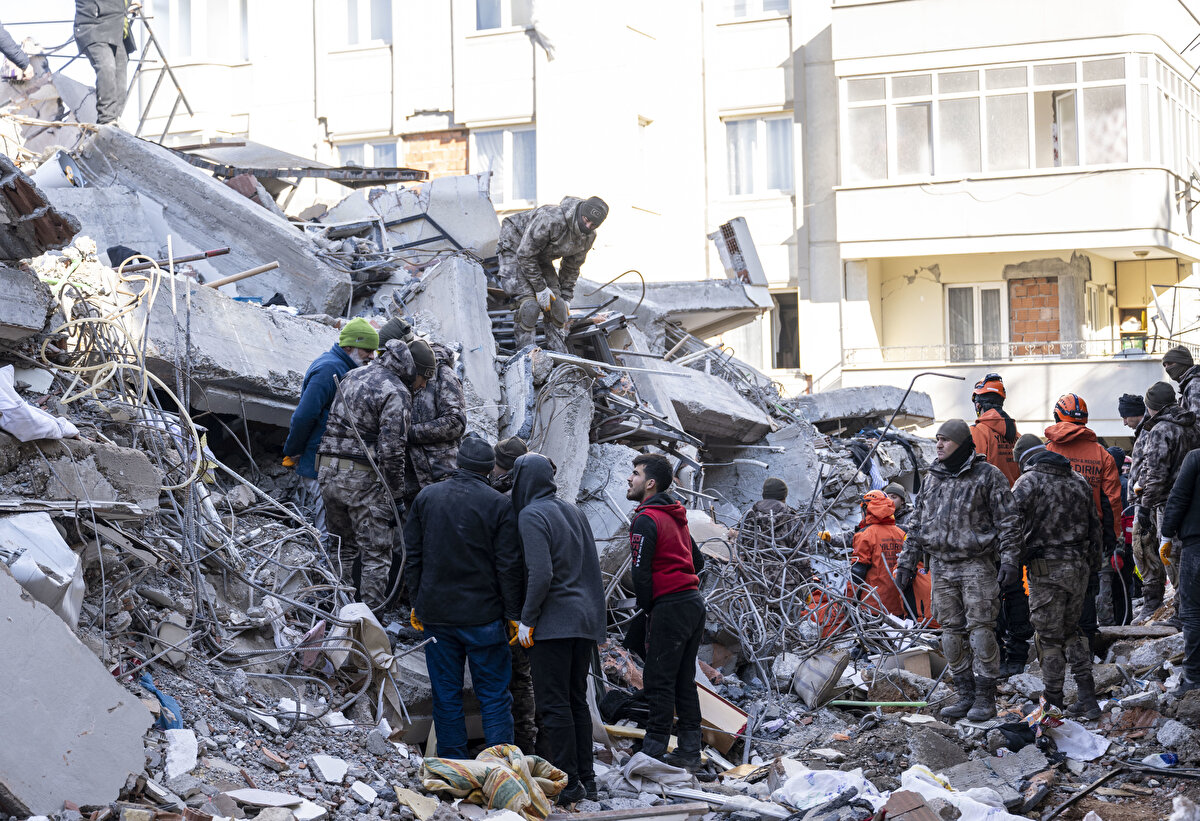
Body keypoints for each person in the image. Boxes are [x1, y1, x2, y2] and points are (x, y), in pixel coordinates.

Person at [404, 436, 524, 758]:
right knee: (495, 696)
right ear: (490, 470)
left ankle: (454, 769)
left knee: (446, 696)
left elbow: (412, 556)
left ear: (458, 463)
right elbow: (508, 566)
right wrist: (513, 614)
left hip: (437, 616)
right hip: (484, 617)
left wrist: (416, 602)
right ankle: (501, 769)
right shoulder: (500, 505)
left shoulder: (427, 497)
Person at [895, 419, 1022, 721]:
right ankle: (965, 694)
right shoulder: (932, 478)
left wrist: (1010, 561)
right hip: (940, 565)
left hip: (976, 564)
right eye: (937, 439)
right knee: (950, 632)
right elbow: (917, 524)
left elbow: (1009, 522)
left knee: (981, 630)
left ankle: (985, 697)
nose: (938, 445)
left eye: (946, 440)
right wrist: (906, 562)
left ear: (962, 443)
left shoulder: (988, 475)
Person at [511, 453, 605, 804]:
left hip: (553, 623)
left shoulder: (531, 514)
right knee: (576, 701)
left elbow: (541, 573)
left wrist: (527, 619)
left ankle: (567, 783)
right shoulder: (574, 511)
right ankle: (587, 779)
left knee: (553, 706)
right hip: (584, 621)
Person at [317, 338, 415, 610]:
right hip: (362, 480)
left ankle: (338, 609)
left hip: (327, 471)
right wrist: (395, 496)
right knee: (375, 553)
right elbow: (393, 450)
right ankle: (366, 623)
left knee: (341, 546)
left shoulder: (352, 374)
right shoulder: (395, 390)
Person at [1011, 434, 1103, 717]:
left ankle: (1052, 701)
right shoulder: (1078, 481)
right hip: (1079, 568)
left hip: (1045, 569)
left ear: (1025, 459)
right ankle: (1088, 699)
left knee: (1048, 637)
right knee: (1072, 631)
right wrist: (1094, 568)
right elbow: (1094, 526)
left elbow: (1009, 524)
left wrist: (1012, 560)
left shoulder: (1028, 482)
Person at [626, 453, 707, 770]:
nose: (629, 479)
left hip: (670, 607)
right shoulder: (675, 515)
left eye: (634, 473)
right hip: (692, 603)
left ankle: (653, 752)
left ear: (649, 483)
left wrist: (648, 610)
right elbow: (697, 563)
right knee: (683, 680)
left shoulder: (645, 519)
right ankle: (689, 751)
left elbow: (640, 574)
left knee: (658, 680)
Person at [283, 319, 378, 547]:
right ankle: (322, 574)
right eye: (368, 350)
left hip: (329, 463)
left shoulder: (345, 368)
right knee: (326, 529)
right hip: (318, 461)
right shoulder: (329, 369)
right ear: (349, 347)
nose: (372, 356)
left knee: (332, 527)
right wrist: (293, 450)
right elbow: (304, 416)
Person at [1044, 393, 1121, 651]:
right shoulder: (1101, 454)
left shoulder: (1048, 450)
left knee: (1052, 593)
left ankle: (1055, 651)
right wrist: (1111, 538)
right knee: (1087, 591)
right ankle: (1086, 647)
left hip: (1050, 539)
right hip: (1089, 538)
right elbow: (1111, 501)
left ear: (1058, 416)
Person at [497, 196, 609, 351]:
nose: (587, 225)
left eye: (593, 224)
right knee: (529, 307)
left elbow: (572, 267)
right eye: (585, 219)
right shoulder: (551, 219)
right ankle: (528, 356)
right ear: (581, 212)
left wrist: (566, 297)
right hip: (515, 246)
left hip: (541, 256)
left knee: (558, 309)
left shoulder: (589, 236)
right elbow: (525, 254)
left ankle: (560, 356)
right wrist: (540, 288)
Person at [1131, 382, 1198, 621]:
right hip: (1192, 502)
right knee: (1185, 556)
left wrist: (1144, 509)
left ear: (1152, 407)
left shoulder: (1161, 429)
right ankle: (1184, 608)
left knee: (1170, 557)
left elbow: (1155, 474)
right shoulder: (1192, 426)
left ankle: (1183, 613)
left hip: (1168, 504)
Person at [1158, 445, 1200, 693]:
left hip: (1196, 546)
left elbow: (1178, 497)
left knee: (1193, 613)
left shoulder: (1195, 458)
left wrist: (1166, 534)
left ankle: (1194, 678)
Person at [403, 339, 466, 504]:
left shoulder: (444, 374)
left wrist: (409, 433)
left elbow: (456, 422)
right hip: (408, 481)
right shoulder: (402, 373)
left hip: (440, 475)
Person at [74, 0, 137, 125]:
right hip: (92, 27)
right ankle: (107, 119)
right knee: (106, 67)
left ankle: (115, 119)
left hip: (116, 30)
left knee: (120, 78)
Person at [849, 490, 909, 619]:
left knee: (870, 639)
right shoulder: (901, 534)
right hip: (899, 607)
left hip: (872, 606)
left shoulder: (865, 535)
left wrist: (849, 601)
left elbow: (857, 573)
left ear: (867, 508)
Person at [1099, 445, 1135, 626]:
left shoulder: (1109, 484)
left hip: (1113, 543)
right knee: (1123, 587)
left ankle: (1113, 623)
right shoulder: (1126, 483)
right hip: (1126, 544)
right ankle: (1124, 621)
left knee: (1108, 588)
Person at [970, 373, 1020, 486]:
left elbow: (972, 473)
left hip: (989, 500)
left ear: (978, 406)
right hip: (1014, 500)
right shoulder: (1018, 437)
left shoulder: (976, 432)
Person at [741, 477, 805, 553]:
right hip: (784, 564)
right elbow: (802, 556)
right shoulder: (794, 520)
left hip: (751, 564)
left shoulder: (748, 515)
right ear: (784, 496)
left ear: (763, 495)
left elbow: (738, 547)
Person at [1163, 346, 1200, 414]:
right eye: (1165, 365)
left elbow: (1197, 420)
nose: (1167, 368)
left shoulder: (1195, 384)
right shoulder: (1189, 383)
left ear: (1183, 362)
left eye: (1170, 363)